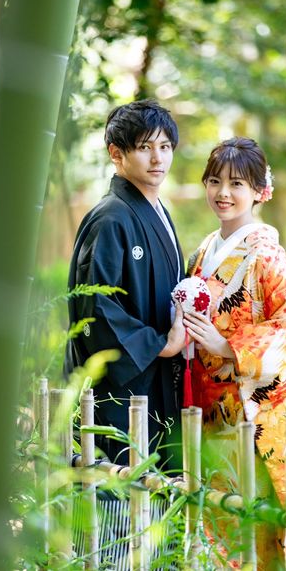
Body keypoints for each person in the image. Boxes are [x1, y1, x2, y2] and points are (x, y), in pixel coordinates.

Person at [183, 136, 286, 569]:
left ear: (260, 191)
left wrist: (228, 346)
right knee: (220, 522)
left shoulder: (265, 253)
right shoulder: (206, 250)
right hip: (211, 408)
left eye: (237, 184)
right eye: (214, 181)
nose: (223, 193)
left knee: (255, 527)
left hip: (251, 408)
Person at [64, 99, 187, 466]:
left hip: (156, 381)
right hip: (123, 387)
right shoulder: (110, 218)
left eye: (165, 146)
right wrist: (160, 344)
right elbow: (96, 308)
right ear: (116, 154)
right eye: (145, 147)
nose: (157, 158)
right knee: (119, 482)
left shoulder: (158, 212)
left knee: (156, 483)